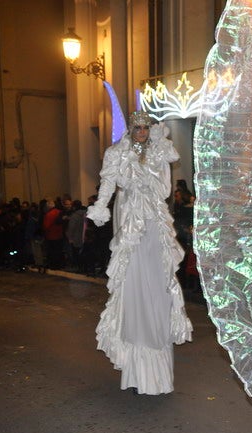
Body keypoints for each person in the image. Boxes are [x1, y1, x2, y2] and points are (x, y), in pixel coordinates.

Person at [86, 110, 193, 395]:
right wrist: (100, 206)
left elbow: (165, 189)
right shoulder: (116, 153)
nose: (142, 132)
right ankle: (136, 368)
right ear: (131, 130)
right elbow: (109, 183)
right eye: (138, 128)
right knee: (132, 288)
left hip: (154, 221)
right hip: (130, 220)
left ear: (150, 130)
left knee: (159, 290)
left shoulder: (159, 152)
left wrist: (147, 180)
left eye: (146, 128)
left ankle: (158, 372)